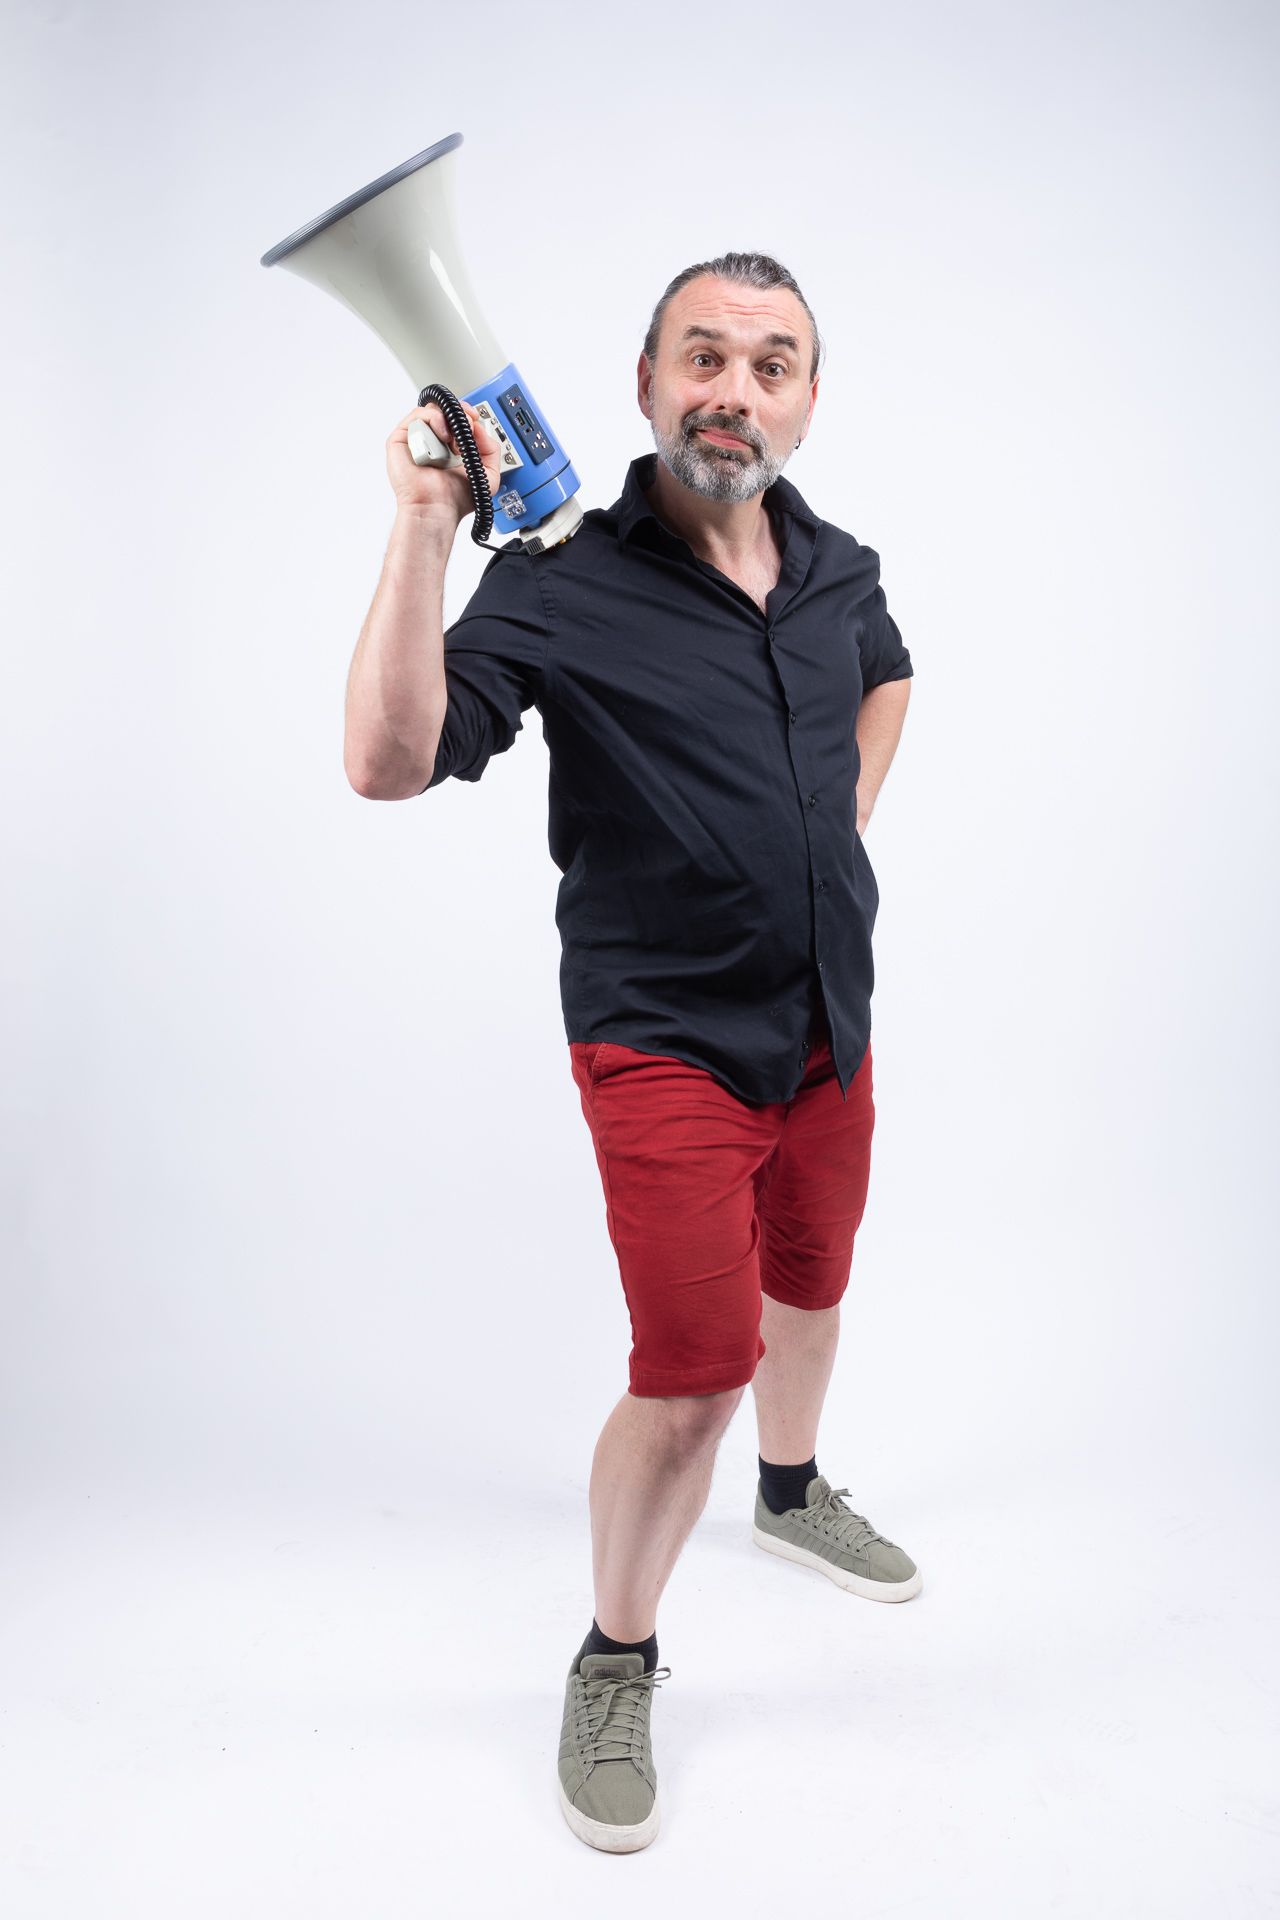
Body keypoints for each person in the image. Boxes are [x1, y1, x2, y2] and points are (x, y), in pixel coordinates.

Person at [344, 252, 919, 1854]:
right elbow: (388, 761)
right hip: (663, 1041)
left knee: (811, 1281)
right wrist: (423, 525)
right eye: (703, 357)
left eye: (771, 366)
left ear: (807, 402)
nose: (735, 391)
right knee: (694, 1376)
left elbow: (889, 674)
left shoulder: (839, 567)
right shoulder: (560, 584)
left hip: (830, 1016)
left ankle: (790, 1496)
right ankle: (617, 1652)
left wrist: (844, 813)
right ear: (648, 384)